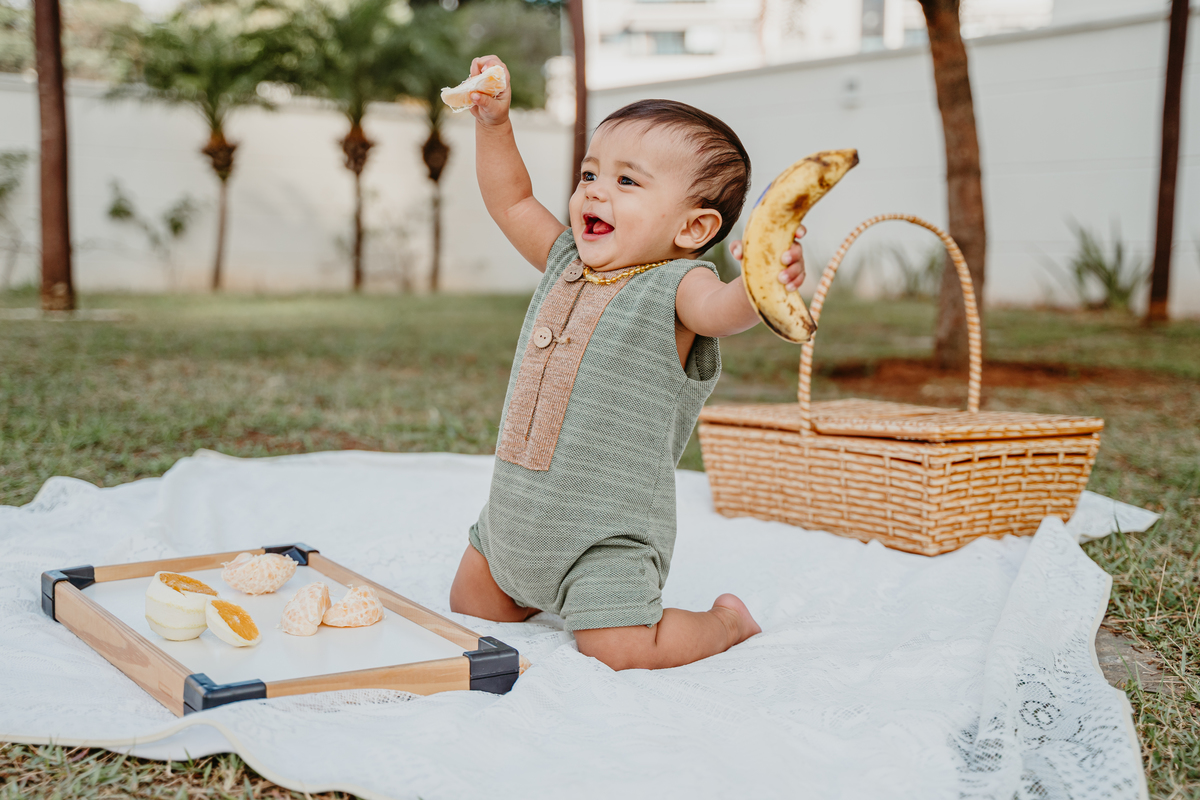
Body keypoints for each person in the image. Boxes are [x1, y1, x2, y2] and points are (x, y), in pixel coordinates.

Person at [449, 55, 808, 671]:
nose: (594, 189)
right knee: (470, 606)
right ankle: (531, 587)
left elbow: (724, 311)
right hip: (514, 518)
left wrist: (760, 283)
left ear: (693, 228)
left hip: (605, 538)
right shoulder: (566, 259)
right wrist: (494, 125)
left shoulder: (679, 286)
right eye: (589, 173)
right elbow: (512, 201)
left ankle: (725, 623)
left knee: (620, 649)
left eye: (627, 182)